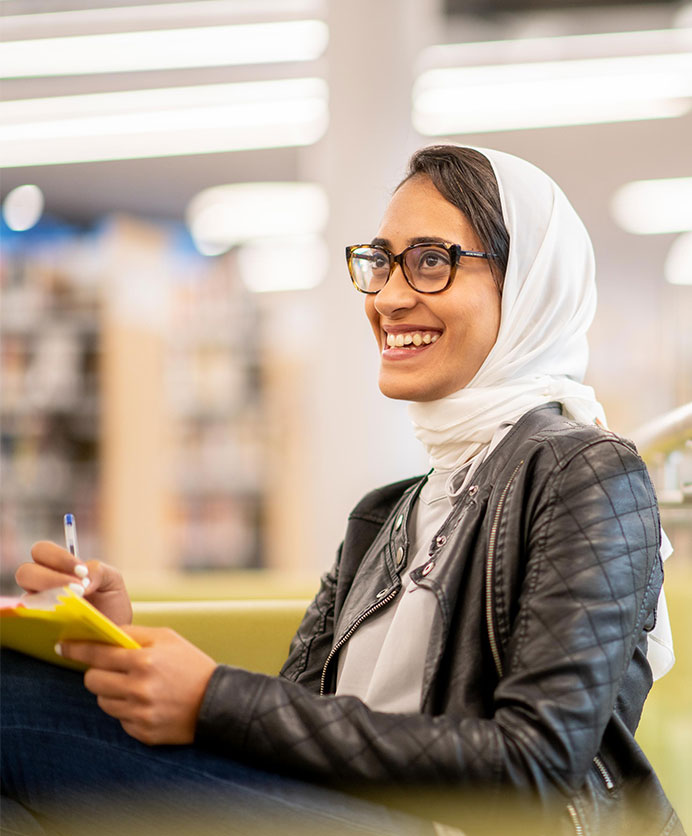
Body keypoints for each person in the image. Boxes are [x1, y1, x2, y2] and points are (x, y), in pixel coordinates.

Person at [1, 146, 684, 836]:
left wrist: (212, 698)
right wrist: (125, 651)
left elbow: (535, 767)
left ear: (531, 284)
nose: (387, 297)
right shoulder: (386, 514)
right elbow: (294, 733)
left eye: (430, 261)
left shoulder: (588, 472)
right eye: (381, 262)